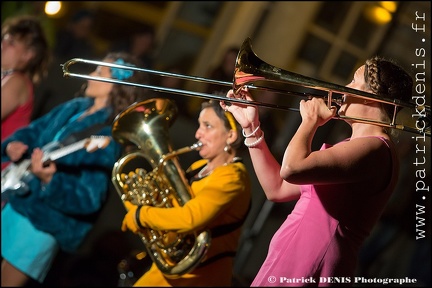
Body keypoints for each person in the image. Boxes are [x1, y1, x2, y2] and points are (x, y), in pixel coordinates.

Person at [221, 56, 413, 286]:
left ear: (372, 98)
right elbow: (277, 188)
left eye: (353, 81)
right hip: (294, 259)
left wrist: (310, 121)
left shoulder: (374, 149)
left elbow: (291, 168)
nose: (344, 88)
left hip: (311, 265)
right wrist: (251, 127)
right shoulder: (354, 146)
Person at [1, 51, 150, 286]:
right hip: (16, 203)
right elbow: (34, 132)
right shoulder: (76, 106)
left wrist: (51, 181)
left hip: (42, 225)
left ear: (116, 85)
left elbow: (90, 198)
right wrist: (13, 145)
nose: (90, 76)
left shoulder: (108, 137)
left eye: (99, 72)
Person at [121, 99, 252, 286]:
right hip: (172, 270)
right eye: (199, 125)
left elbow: (189, 218)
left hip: (198, 278)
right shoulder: (200, 166)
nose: (198, 133)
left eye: (207, 126)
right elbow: (174, 207)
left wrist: (142, 215)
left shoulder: (233, 177)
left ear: (230, 135)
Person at [1, 15, 50, 170]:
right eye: (5, 39)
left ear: (28, 55)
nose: (3, 44)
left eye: (12, 43)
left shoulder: (17, 82)